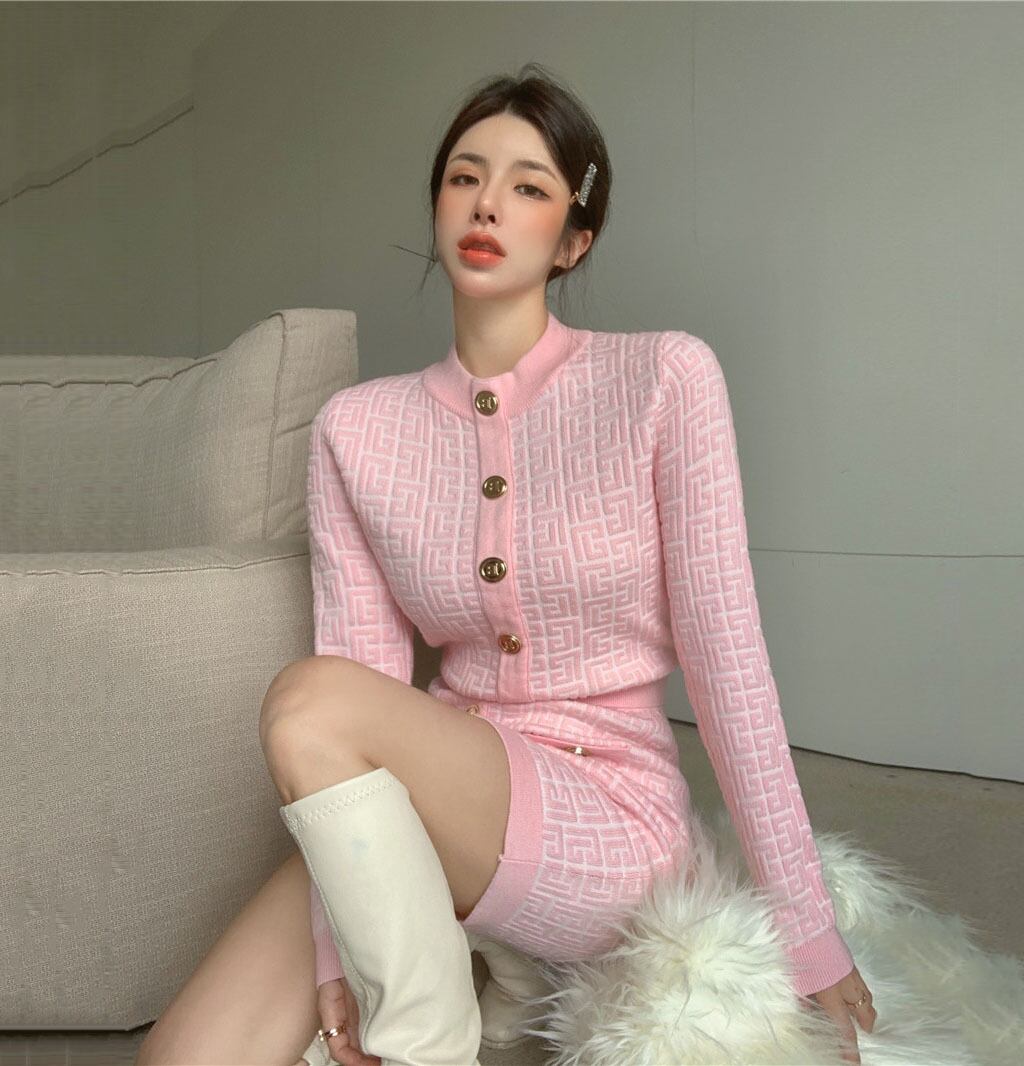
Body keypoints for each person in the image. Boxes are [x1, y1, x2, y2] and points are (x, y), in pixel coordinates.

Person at [136, 64, 875, 1066]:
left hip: (607, 818)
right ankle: (448, 973)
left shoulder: (663, 379)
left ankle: (426, 1041)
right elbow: (363, 686)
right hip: (421, 796)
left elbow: (728, 661)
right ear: (438, 206)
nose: (487, 203)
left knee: (308, 698)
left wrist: (807, 924)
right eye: (464, 176)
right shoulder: (357, 430)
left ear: (573, 238)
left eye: (528, 186)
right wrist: (336, 951)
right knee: (184, 1055)